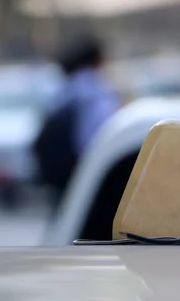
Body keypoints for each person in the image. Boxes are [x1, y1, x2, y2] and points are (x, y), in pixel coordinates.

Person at [33, 34, 121, 209]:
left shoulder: (63, 90)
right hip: (84, 178)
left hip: (60, 178)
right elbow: (92, 142)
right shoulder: (97, 93)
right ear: (97, 60)